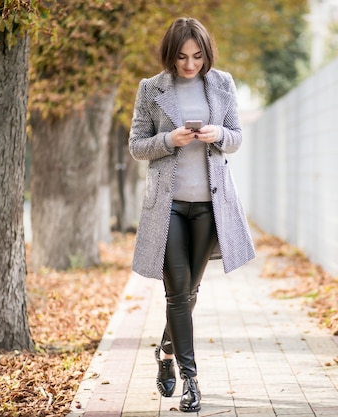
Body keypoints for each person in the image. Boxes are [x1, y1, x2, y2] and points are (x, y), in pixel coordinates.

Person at [127, 17, 256, 412]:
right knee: (177, 294)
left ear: (206, 54)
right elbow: (137, 145)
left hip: (210, 206)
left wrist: (218, 134)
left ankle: (165, 353)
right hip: (168, 208)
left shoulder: (222, 83)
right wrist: (170, 139)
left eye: (197, 56)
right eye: (182, 57)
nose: (189, 64)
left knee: (189, 293)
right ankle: (191, 380)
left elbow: (235, 136)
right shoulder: (151, 89)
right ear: (171, 55)